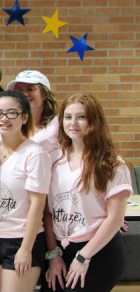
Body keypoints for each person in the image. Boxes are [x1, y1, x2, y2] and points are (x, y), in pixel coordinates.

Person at [44, 94, 132, 292]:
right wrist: (54, 254)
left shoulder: (112, 164)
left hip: (98, 251)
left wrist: (84, 256)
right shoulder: (53, 159)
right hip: (62, 250)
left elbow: (115, 219)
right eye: (67, 117)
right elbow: (48, 212)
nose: (73, 123)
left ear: (94, 120)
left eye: (81, 117)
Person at [0, 90, 51, 292]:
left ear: (24, 117)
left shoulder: (35, 154)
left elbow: (38, 206)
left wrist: (26, 249)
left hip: (21, 239)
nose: (4, 118)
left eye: (12, 113)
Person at [7, 70, 60, 161]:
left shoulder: (58, 124)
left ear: (45, 94)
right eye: (19, 91)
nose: (24, 94)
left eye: (30, 89)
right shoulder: (9, 124)